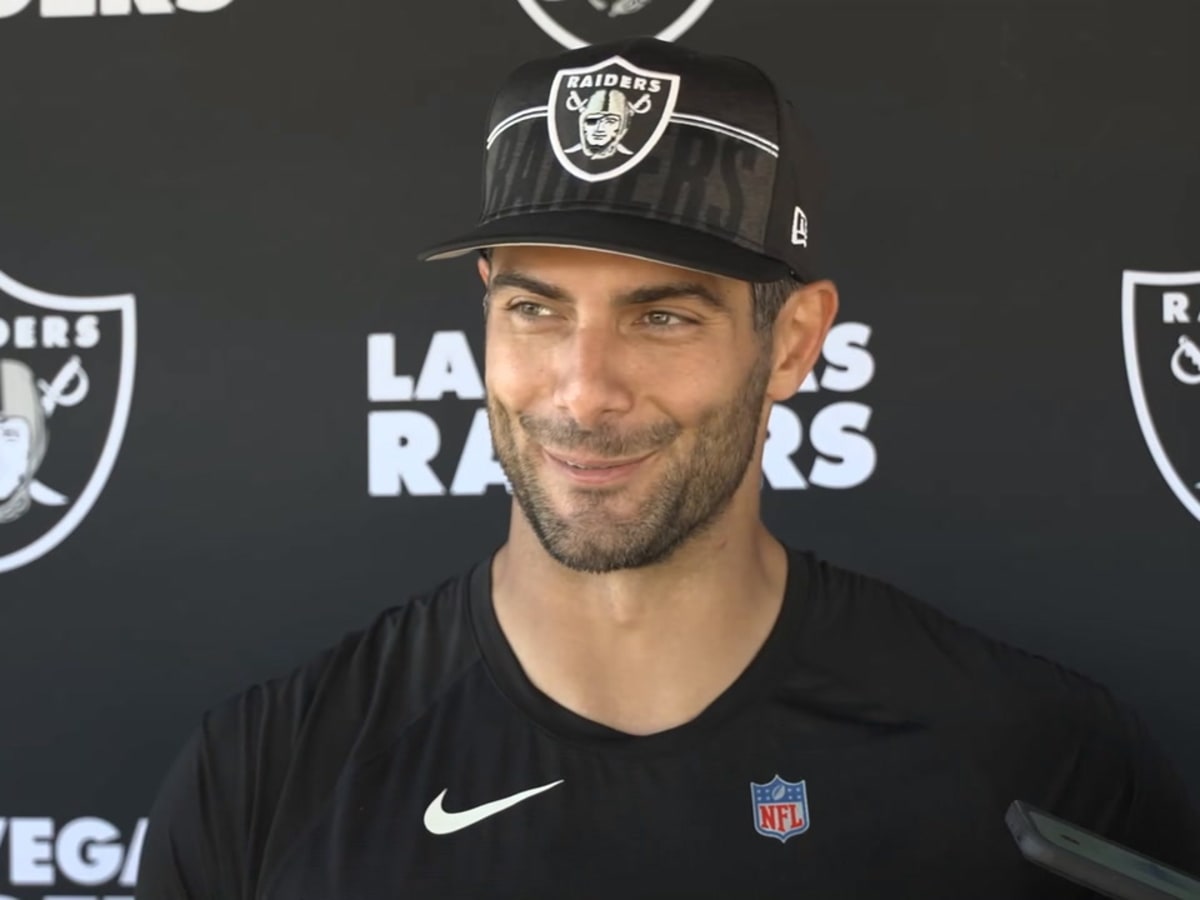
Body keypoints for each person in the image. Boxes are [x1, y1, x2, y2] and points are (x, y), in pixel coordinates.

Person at [136, 38, 1200, 899]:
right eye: (536, 309)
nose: (583, 389)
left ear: (791, 343)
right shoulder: (268, 774)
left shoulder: (1037, 761)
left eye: (664, 315)